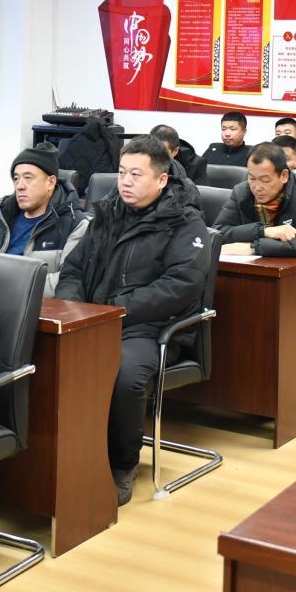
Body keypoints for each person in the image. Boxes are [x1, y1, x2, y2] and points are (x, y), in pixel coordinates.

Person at [55, 135, 209, 506]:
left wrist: (116, 310)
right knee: (51, 359)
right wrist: (75, 307)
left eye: (136, 175)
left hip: (149, 327)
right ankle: (66, 458)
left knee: (124, 375)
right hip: (94, 319)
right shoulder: (108, 213)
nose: (125, 181)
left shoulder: (185, 222)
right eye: (122, 172)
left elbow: (180, 286)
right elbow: (73, 268)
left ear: (161, 179)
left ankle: (122, 463)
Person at [214, 142, 296, 336]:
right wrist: (264, 231)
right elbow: (219, 231)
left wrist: (254, 247)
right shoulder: (241, 191)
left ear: (284, 175)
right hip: (259, 266)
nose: (257, 187)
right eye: (251, 178)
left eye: (265, 180)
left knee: (288, 313)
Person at [0, 142, 88, 292]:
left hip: (33, 304)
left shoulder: (74, 224)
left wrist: (10, 288)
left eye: (28, 178)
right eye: (16, 178)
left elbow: (67, 281)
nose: (20, 186)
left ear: (50, 183)